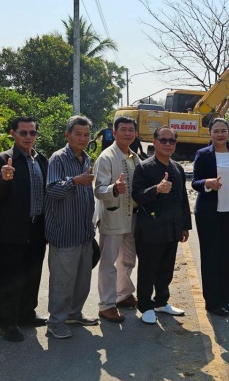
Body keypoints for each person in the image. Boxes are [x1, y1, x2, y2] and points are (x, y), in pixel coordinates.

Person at [0, 116, 48, 343]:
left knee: (33, 273)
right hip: (13, 229)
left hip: (37, 227)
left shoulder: (41, 159)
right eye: (23, 133)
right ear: (13, 133)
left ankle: (26, 313)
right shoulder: (1, 160)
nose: (28, 137)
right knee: (11, 278)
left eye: (32, 132)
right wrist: (4, 179)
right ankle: (8, 323)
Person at [45, 115, 99, 339]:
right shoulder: (58, 158)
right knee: (62, 281)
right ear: (67, 135)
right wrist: (74, 181)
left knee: (82, 279)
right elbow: (52, 190)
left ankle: (74, 313)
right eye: (78, 134)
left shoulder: (86, 158)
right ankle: (55, 321)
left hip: (84, 231)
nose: (83, 139)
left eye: (86, 135)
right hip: (65, 231)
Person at [131, 126, 192, 325]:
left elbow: (183, 199)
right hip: (150, 230)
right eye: (163, 140)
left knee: (166, 269)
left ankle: (161, 301)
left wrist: (185, 226)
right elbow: (136, 195)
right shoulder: (144, 167)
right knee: (148, 270)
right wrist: (156, 189)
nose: (167, 144)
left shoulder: (178, 168)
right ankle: (145, 306)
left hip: (171, 229)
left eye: (171, 141)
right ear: (154, 142)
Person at [191, 118, 229, 316]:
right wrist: (207, 183)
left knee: (225, 257)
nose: (220, 134)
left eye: (223, 130)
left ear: (228, 133)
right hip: (208, 214)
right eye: (216, 131)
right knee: (210, 257)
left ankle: (225, 298)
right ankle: (213, 302)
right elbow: (195, 182)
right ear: (210, 134)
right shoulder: (203, 154)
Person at [94, 116, 141, 323]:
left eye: (131, 130)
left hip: (132, 217)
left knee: (128, 259)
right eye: (123, 129)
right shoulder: (106, 157)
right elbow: (98, 190)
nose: (127, 133)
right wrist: (114, 188)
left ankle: (123, 294)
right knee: (109, 262)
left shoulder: (134, 156)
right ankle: (106, 304)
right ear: (114, 133)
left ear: (136, 134)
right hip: (112, 216)